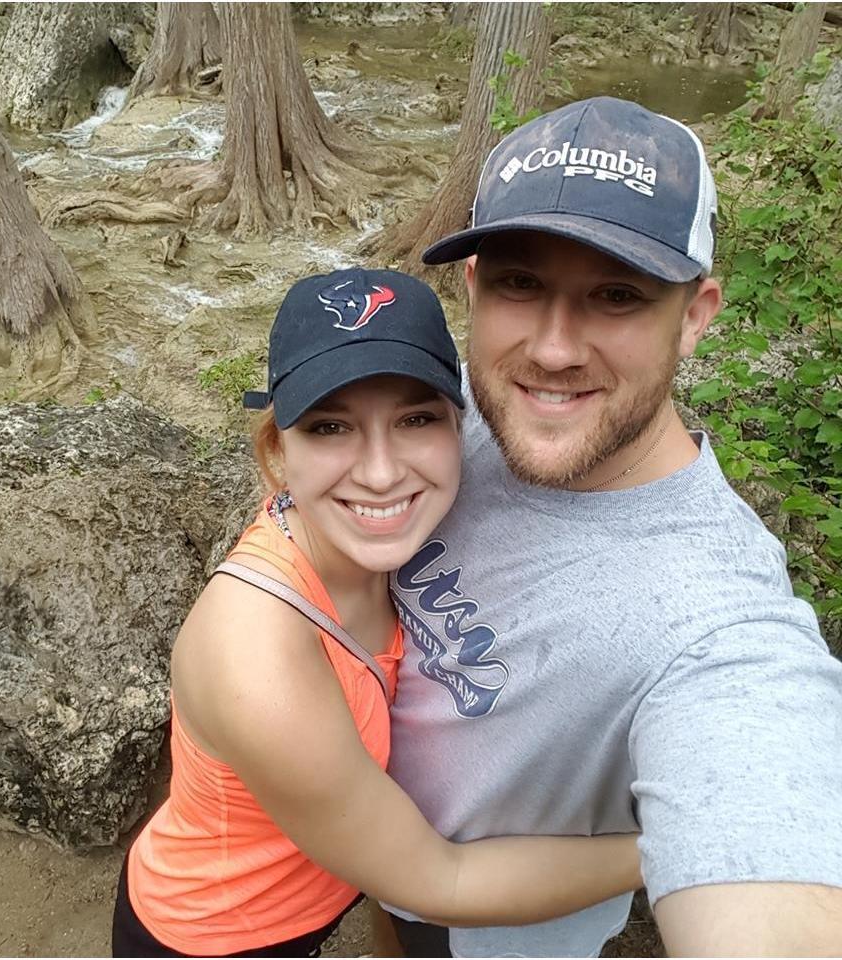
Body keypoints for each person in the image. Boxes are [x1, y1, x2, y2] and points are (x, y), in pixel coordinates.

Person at [380, 96, 842, 958]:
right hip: (365, 855)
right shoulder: (442, 423)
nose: (554, 349)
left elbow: (767, 849)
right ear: (474, 287)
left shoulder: (723, 629)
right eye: (522, 282)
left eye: (617, 295)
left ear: (696, 315)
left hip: (496, 933)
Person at [111, 267, 643, 958]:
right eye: (332, 427)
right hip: (219, 933)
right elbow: (438, 880)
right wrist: (666, 847)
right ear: (279, 455)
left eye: (416, 418)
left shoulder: (363, 542)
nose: (383, 471)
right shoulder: (257, 658)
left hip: (326, 890)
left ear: (463, 430)